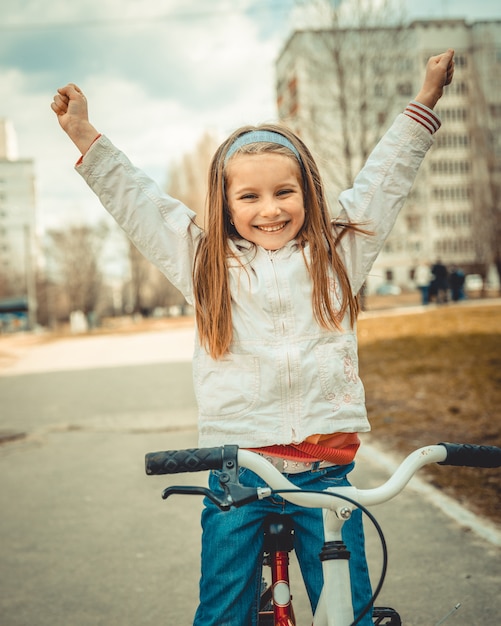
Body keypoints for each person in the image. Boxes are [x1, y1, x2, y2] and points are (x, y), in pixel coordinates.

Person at [51, 48, 454, 626]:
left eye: (284, 192)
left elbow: (383, 183)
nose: (270, 209)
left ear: (307, 193)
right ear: (226, 202)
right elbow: (140, 204)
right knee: (222, 613)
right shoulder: (207, 262)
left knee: (351, 613)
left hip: (324, 471)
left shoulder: (339, 254)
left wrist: (426, 100)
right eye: (250, 196)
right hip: (240, 470)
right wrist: (85, 135)